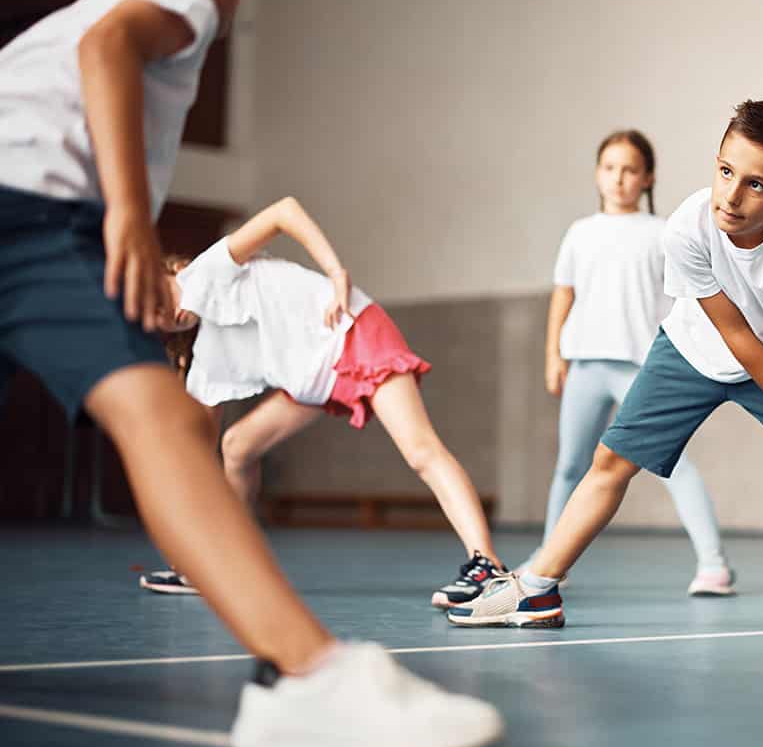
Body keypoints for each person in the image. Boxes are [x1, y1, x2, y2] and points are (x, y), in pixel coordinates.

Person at [0, 0, 500, 747]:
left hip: (55, 235)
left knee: (184, 425)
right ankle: (310, 677)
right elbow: (114, 47)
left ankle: (375, 628)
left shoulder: (61, 23)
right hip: (34, 216)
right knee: (168, 423)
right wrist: (125, 214)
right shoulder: (172, 1)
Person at [448, 100, 763, 652]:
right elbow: (734, 334)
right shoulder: (686, 228)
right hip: (690, 349)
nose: (731, 195)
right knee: (609, 463)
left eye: (755, 184)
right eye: (725, 172)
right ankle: (537, 591)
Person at [145, 195, 506, 610]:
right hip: (314, 376)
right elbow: (195, 453)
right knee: (237, 447)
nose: (165, 314)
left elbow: (284, 211)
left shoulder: (207, 272)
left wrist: (336, 274)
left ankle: (489, 569)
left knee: (421, 451)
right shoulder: (206, 358)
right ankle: (228, 567)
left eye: (160, 298)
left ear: (167, 271)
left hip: (352, 333)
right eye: (152, 318)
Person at [521, 129, 733, 596]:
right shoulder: (580, 232)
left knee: (672, 464)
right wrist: (552, 352)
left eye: (630, 169)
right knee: (570, 466)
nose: (618, 178)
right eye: (610, 168)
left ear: (647, 177)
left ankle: (713, 564)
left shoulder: (663, 233)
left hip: (641, 366)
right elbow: (564, 294)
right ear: (598, 174)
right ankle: (549, 560)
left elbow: (691, 297)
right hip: (586, 365)